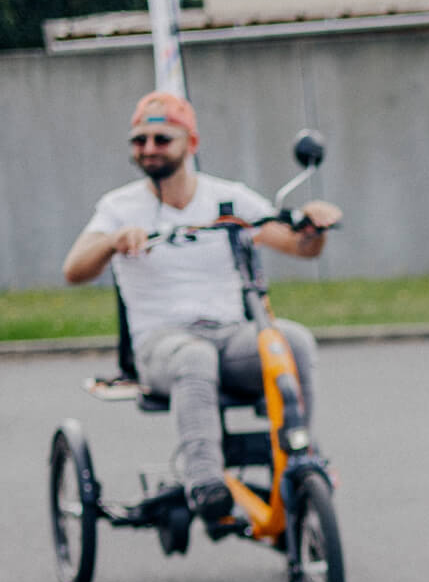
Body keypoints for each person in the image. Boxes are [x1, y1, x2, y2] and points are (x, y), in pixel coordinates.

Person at [62, 91, 341, 523]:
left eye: (161, 139)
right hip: (161, 344)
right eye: (140, 140)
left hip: (229, 335)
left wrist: (314, 223)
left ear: (191, 144)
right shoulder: (118, 207)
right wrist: (111, 242)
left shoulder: (228, 200)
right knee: (195, 356)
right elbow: (74, 270)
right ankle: (205, 483)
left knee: (294, 341)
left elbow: (300, 246)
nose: (149, 149)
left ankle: (301, 455)